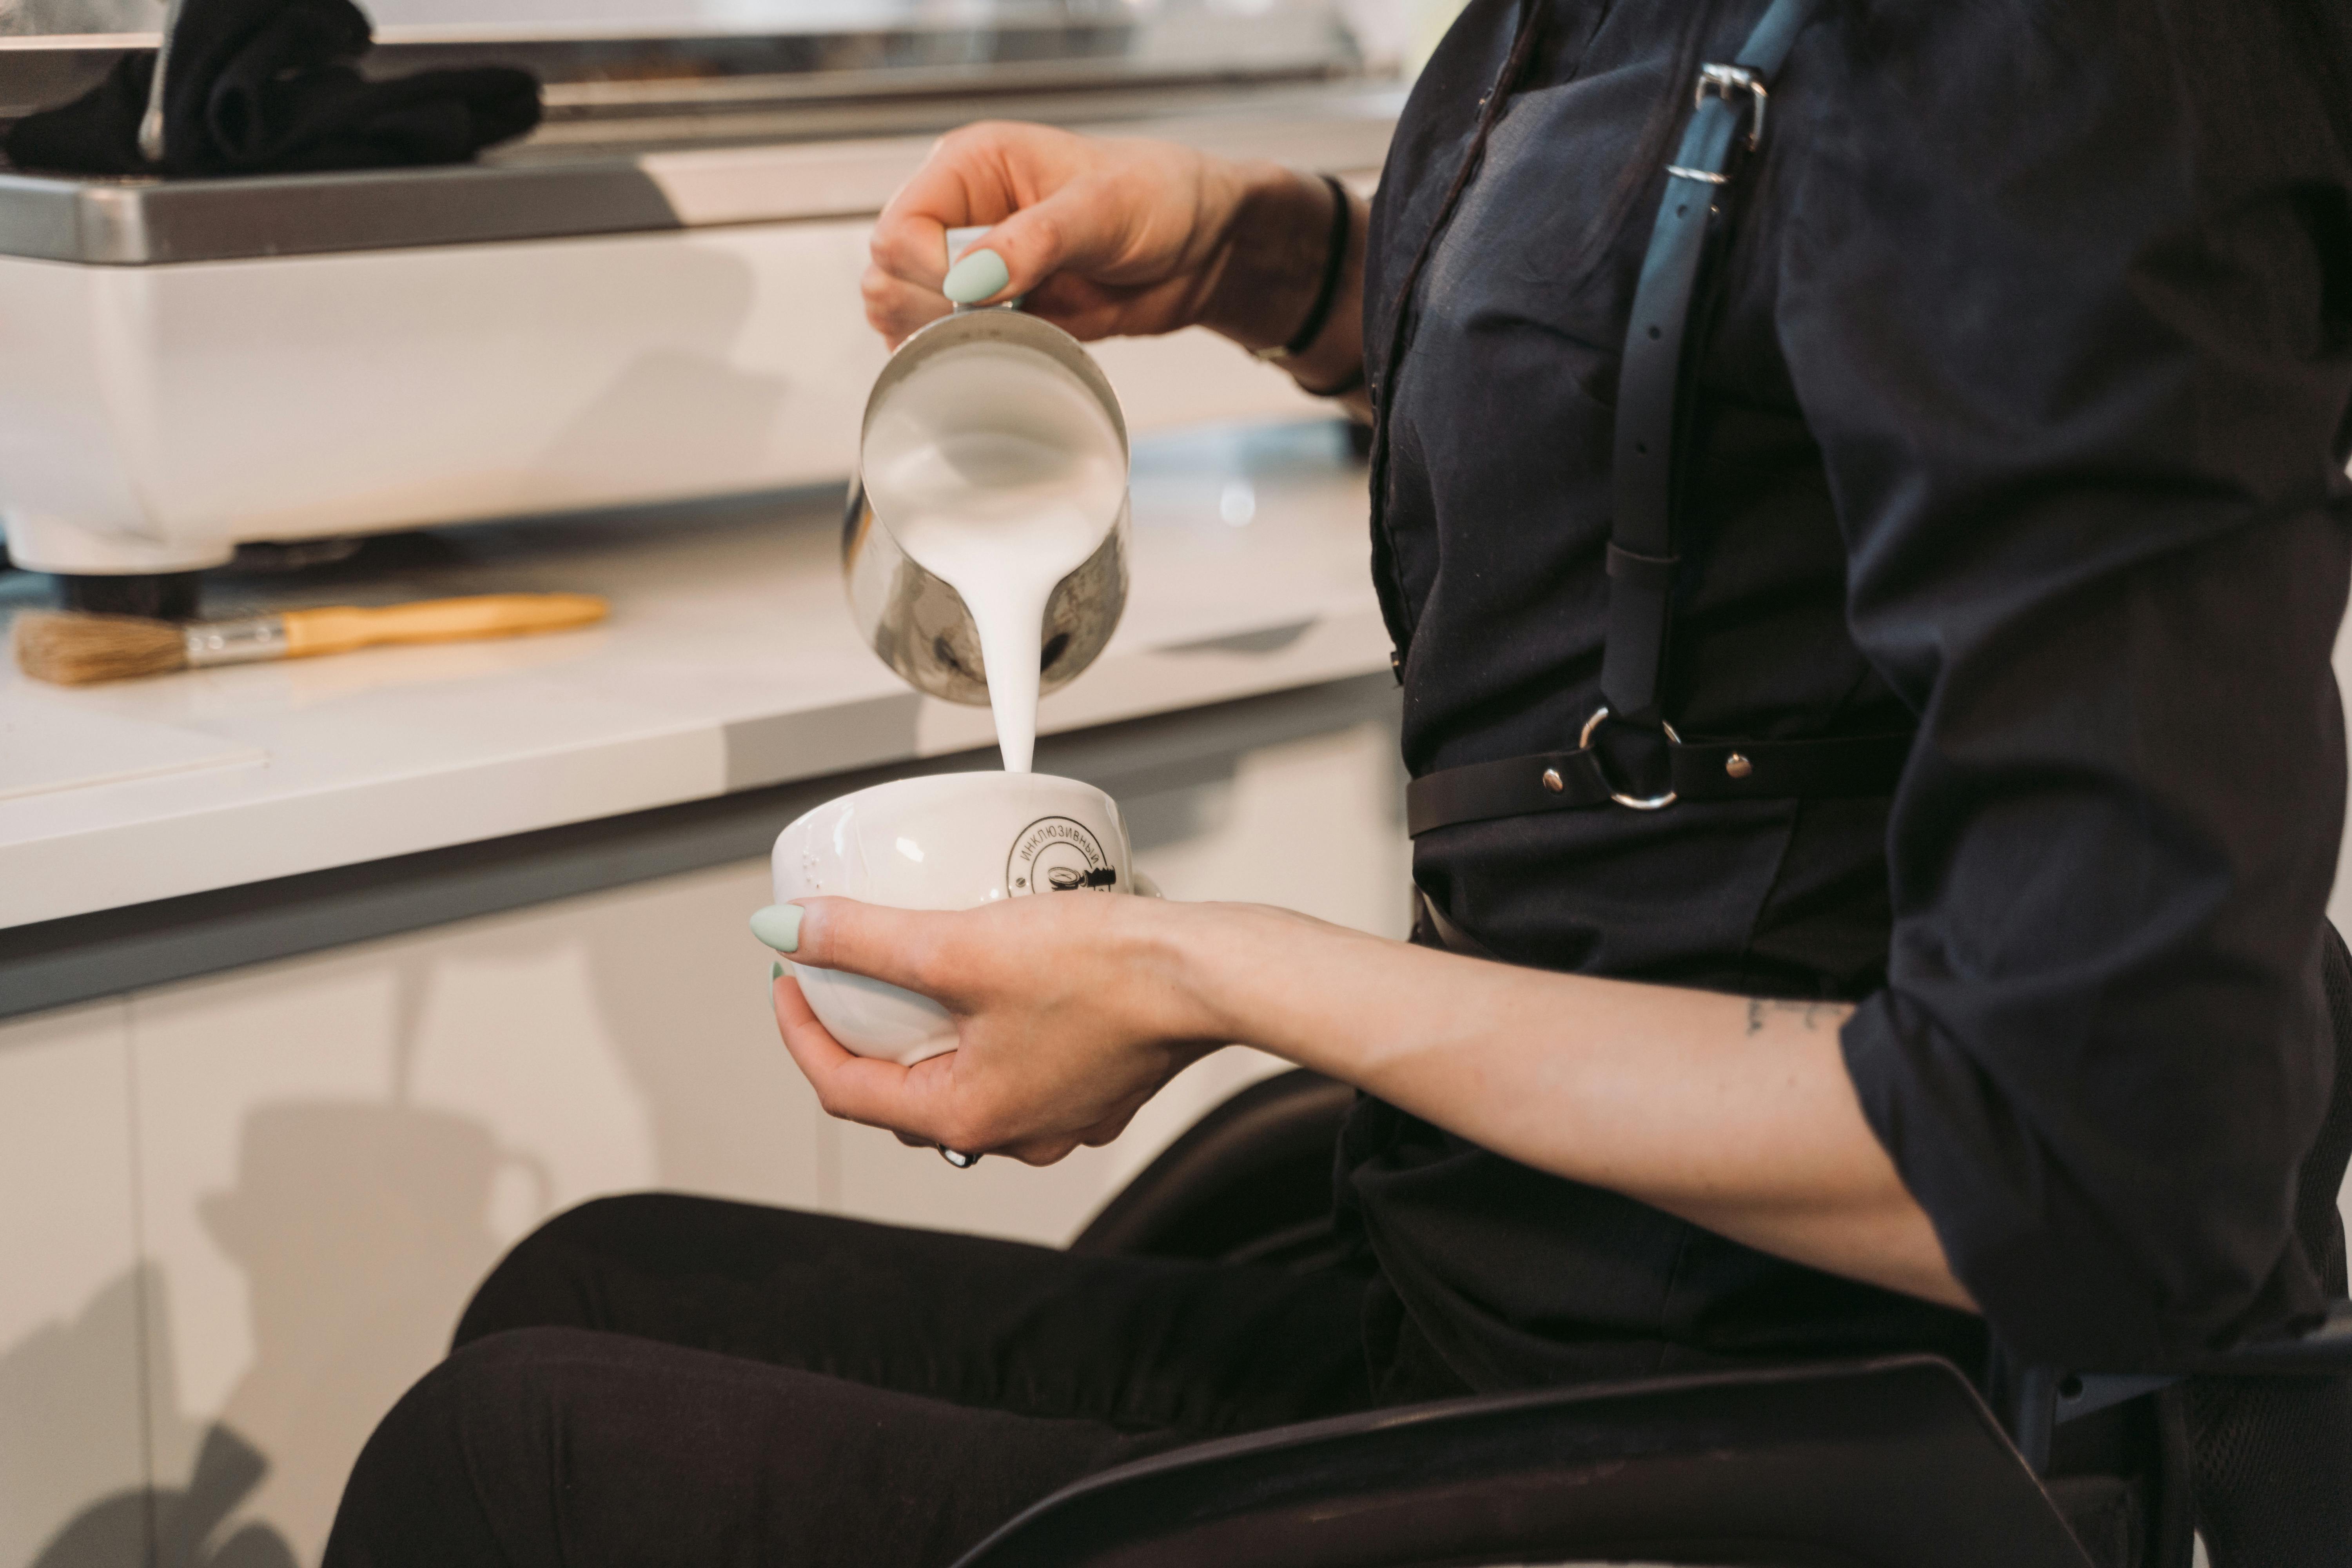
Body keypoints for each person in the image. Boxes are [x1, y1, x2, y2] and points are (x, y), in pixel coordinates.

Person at [325, 0, 2352, 1563]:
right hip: (1483, 1287)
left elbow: (2114, 1161)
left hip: (1782, 1435)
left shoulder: (2062, 61)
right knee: (581, 1288)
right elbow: (1761, 353)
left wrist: (1214, 977)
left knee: (503, 1475)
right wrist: (1276, 260)